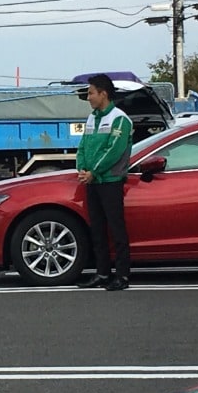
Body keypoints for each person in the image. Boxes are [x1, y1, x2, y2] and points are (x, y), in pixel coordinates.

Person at [75, 74, 133, 291]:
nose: (88, 97)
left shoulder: (119, 119)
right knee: (97, 229)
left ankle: (122, 276)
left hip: (110, 181)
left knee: (116, 229)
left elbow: (114, 151)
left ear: (103, 94)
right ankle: (102, 273)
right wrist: (81, 168)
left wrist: (94, 172)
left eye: (91, 93)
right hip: (92, 182)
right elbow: (82, 146)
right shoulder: (92, 118)